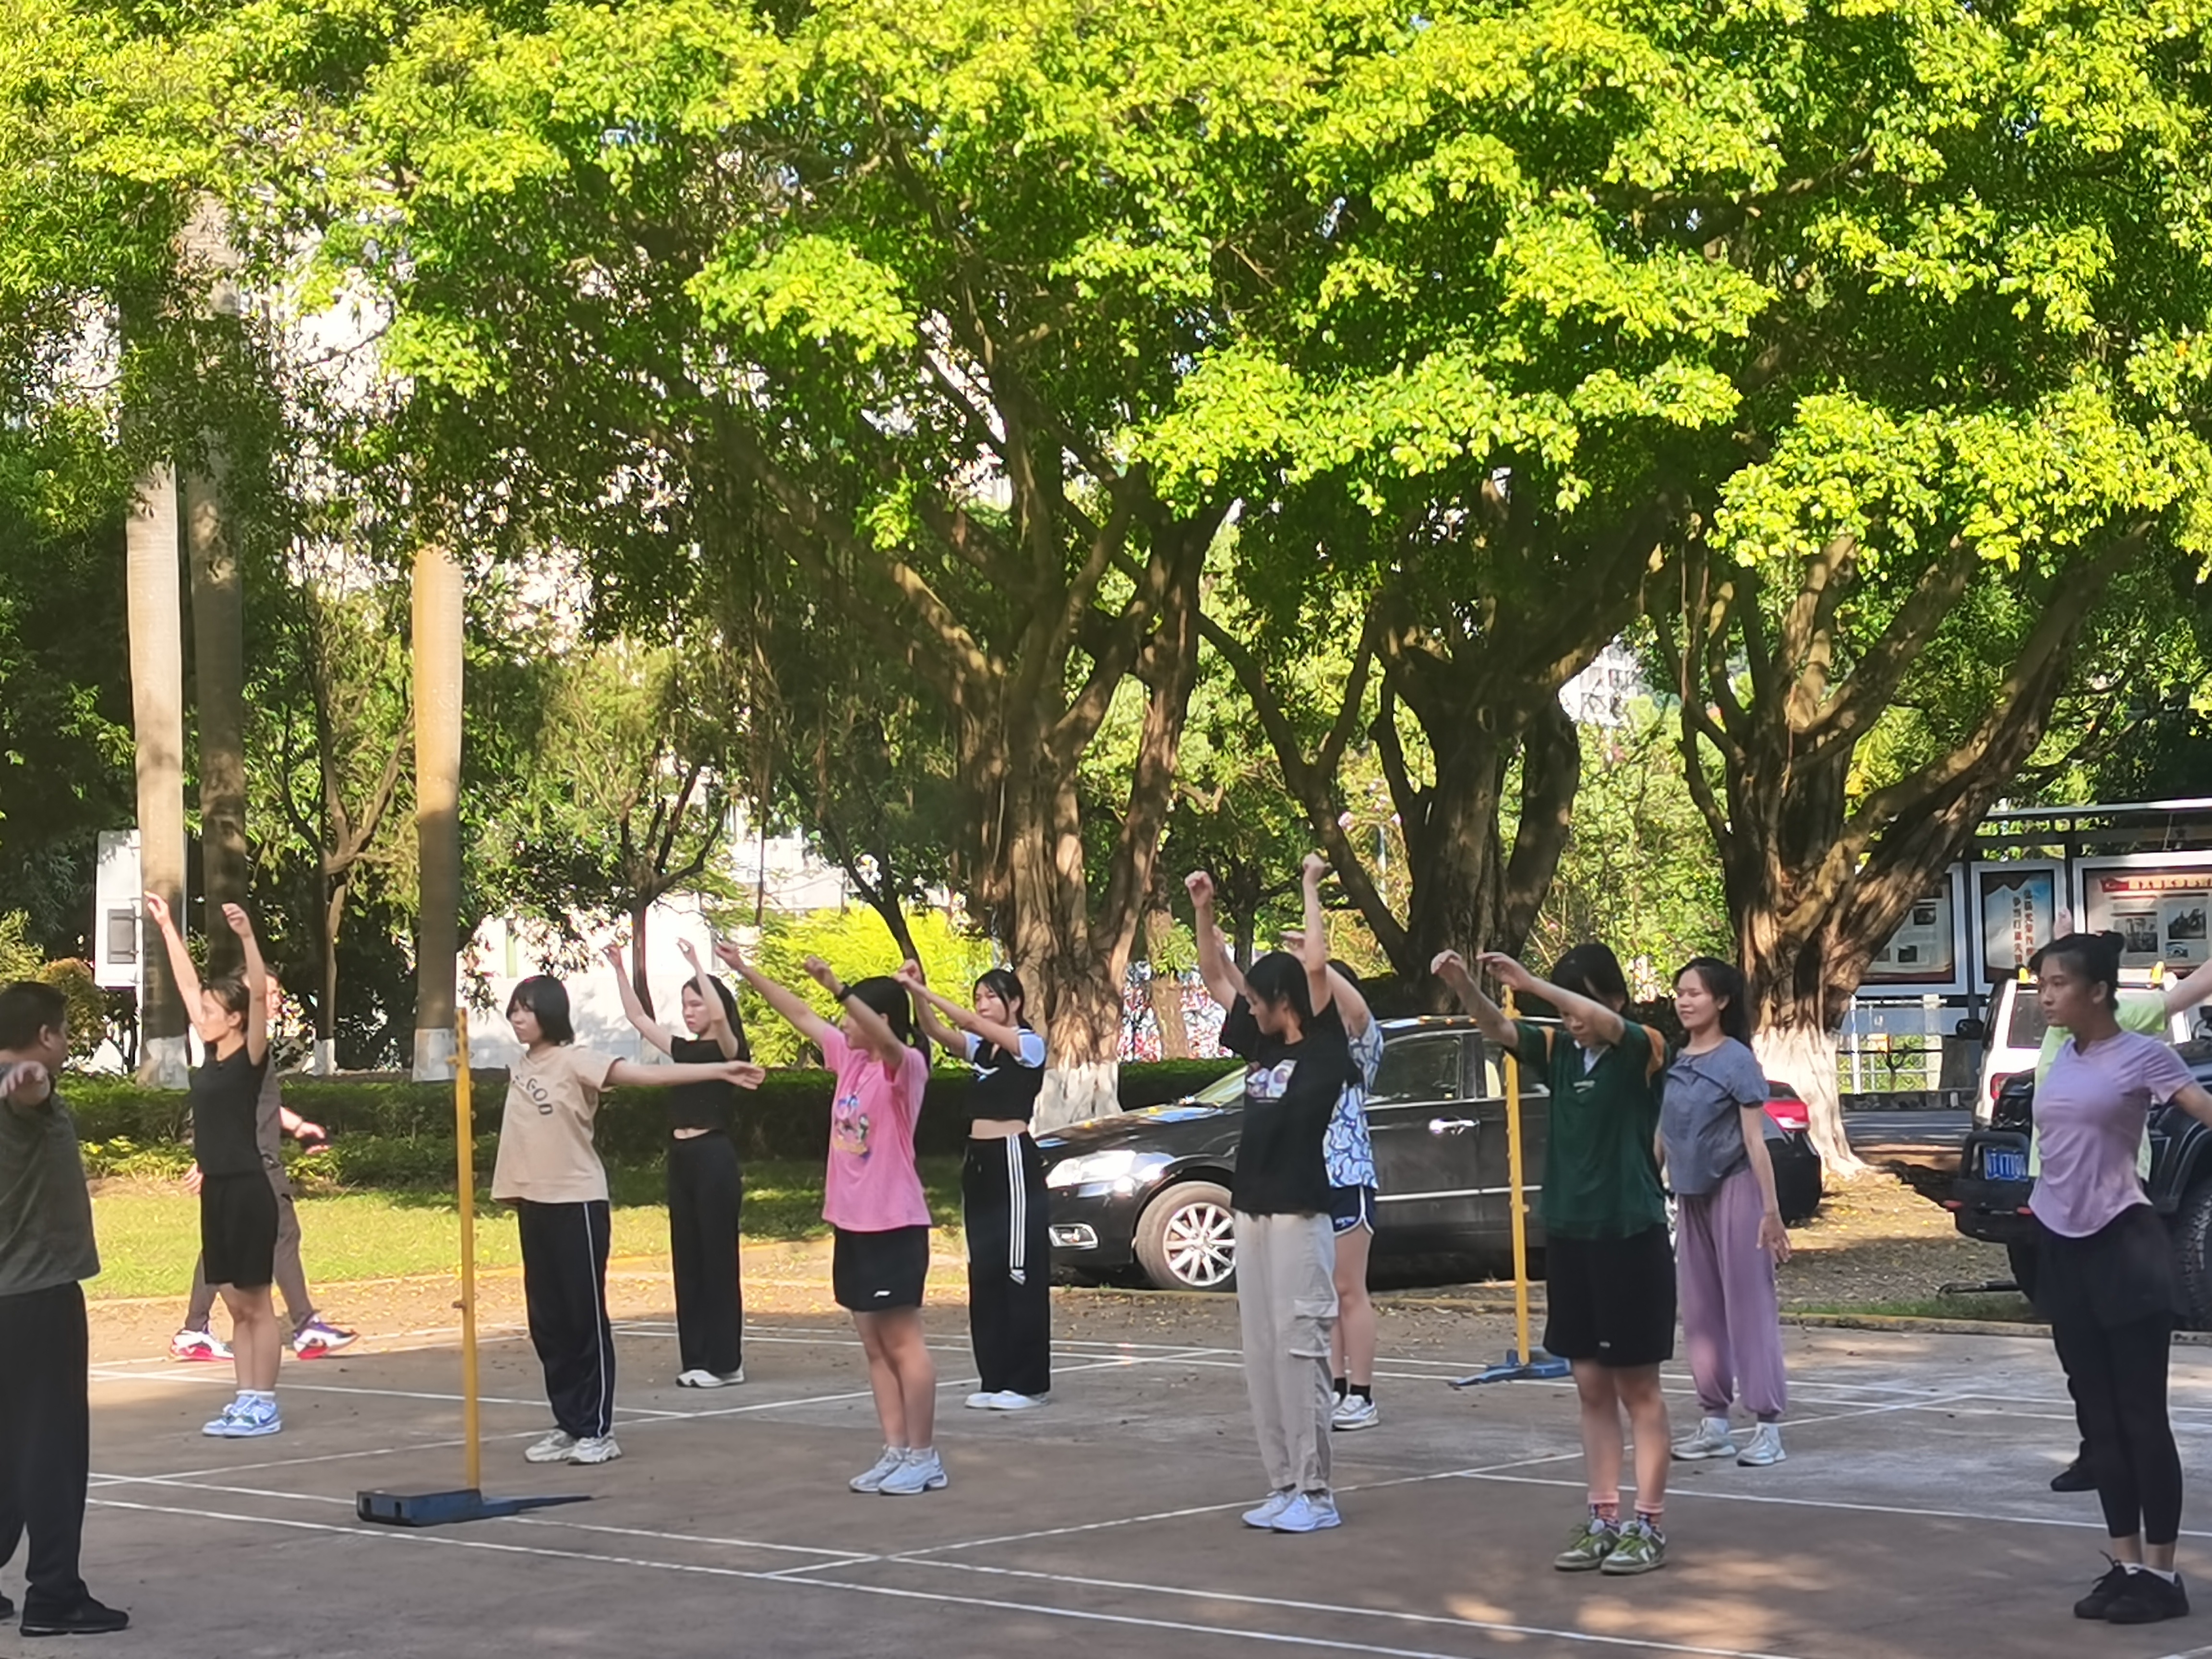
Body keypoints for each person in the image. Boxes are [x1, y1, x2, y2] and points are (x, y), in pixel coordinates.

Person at [1434, 944, 1673, 1576]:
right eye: (1566, 1008)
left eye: (1581, 1004)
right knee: (1591, 1386)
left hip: (1629, 1235)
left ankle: (1648, 1524)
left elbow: (1604, 1023)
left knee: (1637, 1388)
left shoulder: (1643, 1048)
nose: (1572, 1020)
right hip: (1571, 1235)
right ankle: (1604, 1517)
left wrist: (1535, 984)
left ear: (1615, 999)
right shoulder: (1561, 1051)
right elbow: (1497, 1027)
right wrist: (1466, 986)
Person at [497, 975, 763, 1467]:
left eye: (526, 1010)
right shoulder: (521, 1065)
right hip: (533, 1203)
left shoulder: (576, 1060)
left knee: (583, 1320)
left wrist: (722, 1070)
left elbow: (645, 1076)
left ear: (549, 1015)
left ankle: (597, 1430)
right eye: (513, 1010)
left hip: (576, 1202)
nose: (517, 1018)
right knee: (548, 1324)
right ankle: (568, 1423)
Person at [2025, 931, 2212, 1626]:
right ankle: (2127, 1564)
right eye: (2042, 985)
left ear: (2099, 991)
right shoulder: (2061, 1054)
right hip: (2063, 1247)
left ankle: (2163, 1576)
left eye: (2059, 985)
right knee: (2099, 1421)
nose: (2046, 997)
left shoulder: (2143, 1054)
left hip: (2124, 1248)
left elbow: (2202, 1109)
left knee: (2140, 1418)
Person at [719, 945, 942, 1495]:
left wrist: (838, 987)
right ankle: (895, 1450)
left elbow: (890, 1040)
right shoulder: (850, 1057)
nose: (842, 1023)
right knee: (874, 1346)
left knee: (903, 1343)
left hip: (893, 1224)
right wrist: (745, 970)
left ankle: (925, 1456)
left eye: (851, 1015)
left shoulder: (904, 1067)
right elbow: (798, 1012)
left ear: (879, 1018)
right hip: (852, 1224)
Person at [1190, 854, 1356, 1536]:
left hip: (1299, 1216)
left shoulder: (1324, 1050)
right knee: (1260, 1355)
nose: (1249, 1009)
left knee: (1298, 1353)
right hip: (1252, 1214)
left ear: (1285, 1002)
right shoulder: (1261, 1051)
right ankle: (1282, 1483)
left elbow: (1316, 964)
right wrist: (1203, 909)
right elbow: (1213, 974)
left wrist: (1311, 886)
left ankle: (1316, 1493)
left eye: (1259, 1001)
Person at [0, 982, 129, 1636]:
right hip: (37, 1296)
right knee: (51, 1448)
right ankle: (53, 1596)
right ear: (46, 1036)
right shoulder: (26, 1090)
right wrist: (30, 1079)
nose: (69, 1043)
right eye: (65, 1032)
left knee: (7, 1448)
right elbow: (31, 1094)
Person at [147, 894, 287, 1439]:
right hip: (217, 1191)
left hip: (250, 1190)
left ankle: (264, 1403)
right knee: (234, 1304)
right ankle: (245, 1398)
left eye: (211, 1011)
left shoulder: (250, 1057)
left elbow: (258, 997)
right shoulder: (209, 1057)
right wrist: (167, 927)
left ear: (235, 1019)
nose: (201, 1015)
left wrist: (248, 936)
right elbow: (188, 987)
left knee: (256, 1302)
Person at [171, 984, 356, 1364]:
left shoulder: (241, 1054)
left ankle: (194, 1329)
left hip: (245, 1164)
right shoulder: (238, 1051)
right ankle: (305, 1326)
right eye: (267, 993)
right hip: (254, 1166)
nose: (275, 999)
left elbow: (259, 1105)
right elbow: (220, 1109)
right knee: (282, 1237)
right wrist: (210, 1160)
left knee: (225, 1246)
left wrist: (299, 1126)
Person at [899, 961, 1052, 1412]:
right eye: (978, 997)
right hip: (979, 1161)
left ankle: (1027, 1384)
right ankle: (996, 1378)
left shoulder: (1029, 1044)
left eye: (991, 997)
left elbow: (966, 1022)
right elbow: (936, 1030)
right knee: (983, 1269)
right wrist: (918, 993)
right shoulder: (982, 1049)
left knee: (1018, 1268)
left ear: (1015, 1002)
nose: (982, 1005)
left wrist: (922, 990)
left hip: (1012, 1158)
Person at [1660, 957, 1791, 1470]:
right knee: (1699, 1310)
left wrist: (1771, 1212)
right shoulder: (1676, 1059)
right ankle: (1714, 1424)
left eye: (1694, 993)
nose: (1684, 1001)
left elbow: (1756, 1142)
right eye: (1680, 992)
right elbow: (1664, 1132)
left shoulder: (1737, 1060)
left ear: (1722, 1001)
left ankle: (1767, 1428)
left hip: (1737, 1189)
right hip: (1689, 1195)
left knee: (1748, 1306)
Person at [605, 937, 753, 1389]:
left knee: (717, 1258)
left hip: (714, 1155)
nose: (689, 1012)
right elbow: (638, 1019)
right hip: (682, 1157)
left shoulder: (729, 1050)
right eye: (685, 1004)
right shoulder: (684, 1051)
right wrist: (619, 968)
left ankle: (726, 1362)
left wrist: (698, 965)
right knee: (687, 1259)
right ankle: (697, 1359)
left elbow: (722, 1019)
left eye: (696, 1003)